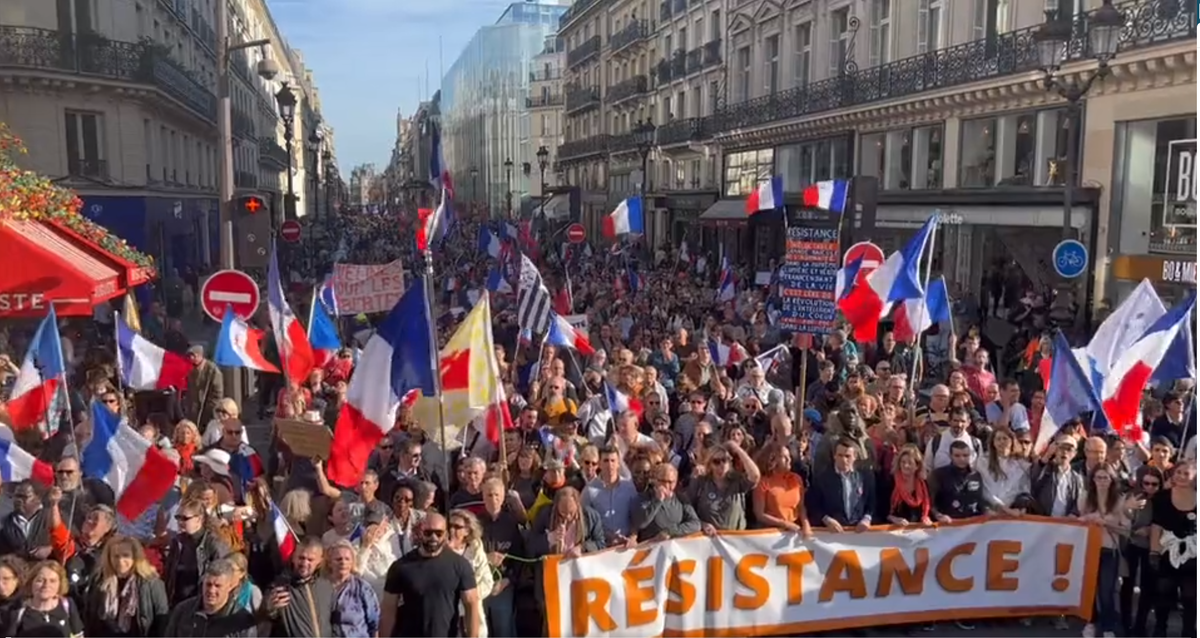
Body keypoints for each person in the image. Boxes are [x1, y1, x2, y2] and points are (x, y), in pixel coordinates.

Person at [382, 513, 481, 638]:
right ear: (420, 532)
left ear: (446, 534)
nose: (433, 537)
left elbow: (471, 605)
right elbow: (388, 610)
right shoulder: (401, 567)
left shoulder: (460, 565)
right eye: (428, 533)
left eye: (439, 533)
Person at [81, 535, 169, 637]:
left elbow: (162, 623)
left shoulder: (152, 584)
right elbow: (90, 618)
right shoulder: (99, 582)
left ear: (135, 557)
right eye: (116, 556)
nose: (120, 561)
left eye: (126, 555)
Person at [1149, 461, 1197, 638]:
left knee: (1191, 597)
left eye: (1186, 473)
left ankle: (1189, 631)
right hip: (1167, 552)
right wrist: (1154, 552)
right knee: (1163, 593)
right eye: (1179, 472)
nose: (1182, 476)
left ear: (1195, 477)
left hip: (1193, 554)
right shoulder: (1162, 497)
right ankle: (1160, 629)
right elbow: (1156, 526)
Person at [162, 559, 258, 637]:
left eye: (218, 586)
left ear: (229, 587)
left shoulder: (242, 621)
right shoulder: (183, 611)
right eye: (208, 584)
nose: (211, 590)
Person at [265, 538, 336, 637]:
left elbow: (335, 620)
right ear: (293, 557)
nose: (304, 563)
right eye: (301, 558)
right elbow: (267, 618)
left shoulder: (326, 587)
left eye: (310, 560)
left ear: (319, 562)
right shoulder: (280, 587)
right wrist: (270, 609)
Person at [805, 437, 876, 533]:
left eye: (847, 456)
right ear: (834, 456)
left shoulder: (865, 477)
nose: (843, 460)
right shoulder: (822, 478)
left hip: (858, 531)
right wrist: (826, 519)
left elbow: (872, 502)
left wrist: (867, 519)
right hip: (832, 532)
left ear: (855, 457)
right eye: (840, 455)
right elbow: (813, 504)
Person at [4, 561, 84, 638]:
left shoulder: (67, 605)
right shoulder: (18, 610)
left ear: (60, 584)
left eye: (52, 581)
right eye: (40, 580)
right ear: (31, 582)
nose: (46, 585)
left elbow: (78, 635)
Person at [326, 539, 380, 638]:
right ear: (329, 563)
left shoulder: (363, 588)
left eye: (347, 559)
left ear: (352, 562)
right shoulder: (320, 587)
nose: (343, 562)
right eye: (338, 559)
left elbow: (374, 624)